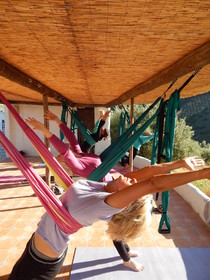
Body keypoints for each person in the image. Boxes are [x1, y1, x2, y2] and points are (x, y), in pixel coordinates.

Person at [8, 157, 210, 279]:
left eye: (133, 189)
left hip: (42, 262)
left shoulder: (103, 205)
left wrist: (202, 174)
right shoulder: (106, 185)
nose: (132, 178)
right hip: (39, 246)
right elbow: (148, 173)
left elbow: (153, 184)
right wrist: (179, 163)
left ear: (125, 202)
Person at [25, 113, 113, 182]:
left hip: (109, 175)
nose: (58, 155)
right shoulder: (78, 167)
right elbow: (65, 150)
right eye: (59, 157)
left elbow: (72, 138)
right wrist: (44, 130)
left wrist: (57, 120)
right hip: (108, 184)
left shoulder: (79, 155)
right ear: (66, 162)